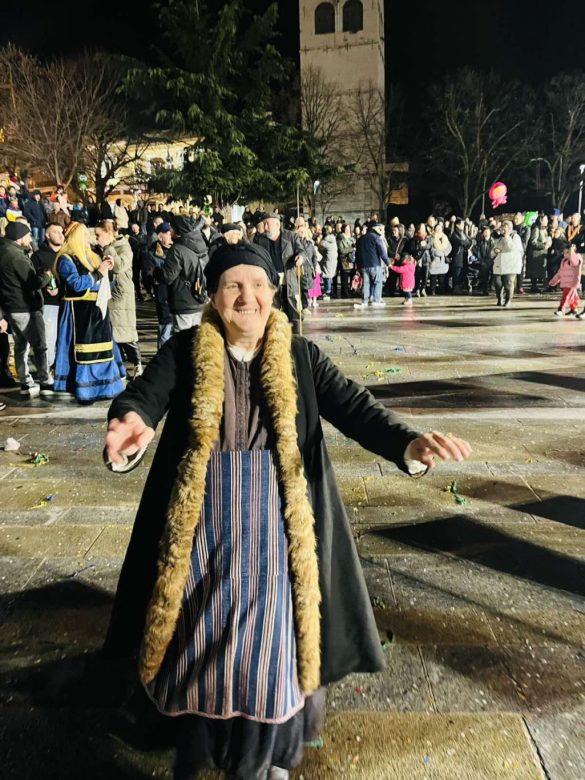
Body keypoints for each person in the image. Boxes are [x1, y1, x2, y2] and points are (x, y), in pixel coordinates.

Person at [102, 241, 472, 780]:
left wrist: (408, 444)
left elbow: (356, 408)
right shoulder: (185, 350)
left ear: (274, 293)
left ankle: (261, 758)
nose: (246, 296)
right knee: (197, 639)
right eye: (233, 285)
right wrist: (130, 424)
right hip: (202, 529)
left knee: (270, 651)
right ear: (213, 295)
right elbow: (143, 396)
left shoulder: (301, 356)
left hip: (278, 529)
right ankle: (202, 744)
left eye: (258, 285)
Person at [52, 223, 126, 402]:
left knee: (103, 349)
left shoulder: (92, 256)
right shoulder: (66, 260)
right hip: (78, 313)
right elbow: (77, 285)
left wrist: (108, 271)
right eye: (85, 235)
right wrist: (99, 273)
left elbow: (104, 284)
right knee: (83, 352)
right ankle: (85, 390)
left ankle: (105, 387)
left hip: (97, 311)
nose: (89, 239)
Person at [0, 221, 54, 397]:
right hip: (25, 307)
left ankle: (25, 382)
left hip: (12, 308)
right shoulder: (15, 256)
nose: (31, 238)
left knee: (21, 346)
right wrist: (46, 276)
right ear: (20, 237)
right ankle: (45, 381)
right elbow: (33, 282)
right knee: (40, 346)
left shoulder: (5, 251)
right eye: (28, 235)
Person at [95, 221, 143, 378]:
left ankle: (137, 364)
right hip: (108, 292)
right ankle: (118, 366)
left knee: (125, 331)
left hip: (121, 295)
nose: (97, 238)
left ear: (109, 234)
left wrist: (108, 248)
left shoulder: (124, 247)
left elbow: (119, 266)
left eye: (99, 235)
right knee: (113, 333)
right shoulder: (102, 248)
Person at [255, 214, 310, 333]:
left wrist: (301, 257)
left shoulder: (291, 236)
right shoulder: (260, 240)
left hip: (288, 278)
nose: (265, 227)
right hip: (270, 281)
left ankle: (296, 338)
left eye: (267, 224)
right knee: (272, 312)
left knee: (293, 311)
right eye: (264, 224)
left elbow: (302, 251)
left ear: (277, 225)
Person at [160, 215, 210, 333]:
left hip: (183, 301)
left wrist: (156, 272)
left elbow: (168, 276)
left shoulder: (177, 249)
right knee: (197, 337)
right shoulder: (200, 245)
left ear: (178, 230)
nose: (170, 231)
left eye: (172, 228)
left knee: (182, 337)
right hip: (200, 297)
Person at [31, 223, 65, 369]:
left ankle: (61, 370)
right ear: (47, 235)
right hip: (50, 304)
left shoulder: (68, 254)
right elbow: (32, 281)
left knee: (64, 340)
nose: (60, 235)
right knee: (49, 340)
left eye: (61, 232)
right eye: (56, 232)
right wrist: (46, 290)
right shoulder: (38, 256)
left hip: (68, 303)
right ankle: (46, 370)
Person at [145, 223, 174, 349]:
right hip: (163, 294)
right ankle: (163, 355)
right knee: (165, 328)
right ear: (160, 237)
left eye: (171, 232)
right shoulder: (152, 253)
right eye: (167, 233)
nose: (170, 235)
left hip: (177, 294)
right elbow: (148, 274)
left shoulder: (175, 249)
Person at [353, 222, 389, 309]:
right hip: (374, 264)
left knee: (366, 283)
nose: (383, 231)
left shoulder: (361, 239)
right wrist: (388, 263)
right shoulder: (376, 238)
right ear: (378, 229)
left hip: (363, 265)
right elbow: (382, 252)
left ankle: (364, 301)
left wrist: (358, 266)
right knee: (378, 282)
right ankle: (376, 300)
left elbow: (357, 253)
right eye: (382, 229)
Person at [492, 220, 524, 308]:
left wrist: (507, 237)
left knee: (508, 283)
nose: (503, 230)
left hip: (511, 264)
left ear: (510, 229)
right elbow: (493, 250)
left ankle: (508, 300)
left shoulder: (515, 237)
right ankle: (499, 298)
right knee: (497, 283)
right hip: (499, 263)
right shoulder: (499, 238)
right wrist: (495, 251)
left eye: (505, 228)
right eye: (502, 227)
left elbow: (512, 248)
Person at [549, 245, 582, 317]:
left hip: (572, 282)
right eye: (564, 252)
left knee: (566, 296)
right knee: (572, 296)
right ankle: (574, 309)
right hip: (566, 283)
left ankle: (561, 309)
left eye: (567, 252)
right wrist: (554, 281)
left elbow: (575, 263)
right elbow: (560, 272)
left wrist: (571, 252)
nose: (565, 254)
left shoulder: (576, 258)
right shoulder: (564, 261)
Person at [526, 215, 552, 293]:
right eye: (545, 219)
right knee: (535, 272)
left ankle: (536, 286)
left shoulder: (544, 229)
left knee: (539, 271)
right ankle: (534, 287)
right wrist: (543, 246)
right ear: (541, 220)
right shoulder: (536, 229)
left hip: (542, 254)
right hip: (536, 254)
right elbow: (533, 241)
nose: (547, 221)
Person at [428, 224, 452, 295]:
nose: (438, 230)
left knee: (442, 276)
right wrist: (438, 253)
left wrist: (445, 253)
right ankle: (432, 290)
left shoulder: (445, 237)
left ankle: (441, 290)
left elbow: (449, 247)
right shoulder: (431, 238)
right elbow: (431, 249)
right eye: (437, 229)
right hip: (435, 259)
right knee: (434, 276)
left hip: (443, 260)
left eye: (440, 228)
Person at [317, 225, 338, 301]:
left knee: (327, 277)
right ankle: (330, 291)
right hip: (333, 261)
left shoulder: (323, 242)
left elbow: (319, 250)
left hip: (327, 261)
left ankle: (327, 292)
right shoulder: (333, 239)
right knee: (330, 276)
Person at [475, 226, 496, 295]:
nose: (486, 233)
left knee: (494, 274)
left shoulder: (493, 241)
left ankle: (492, 286)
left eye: (488, 232)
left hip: (492, 260)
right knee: (484, 275)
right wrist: (481, 260)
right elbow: (478, 251)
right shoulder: (480, 242)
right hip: (484, 260)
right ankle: (485, 289)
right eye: (485, 232)